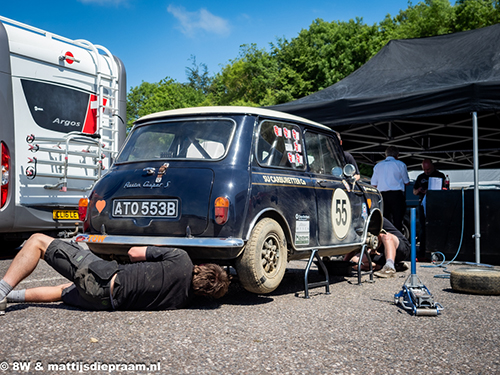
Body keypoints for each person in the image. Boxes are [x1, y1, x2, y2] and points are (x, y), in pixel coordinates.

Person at [0, 234, 230, 315]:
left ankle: (2, 290)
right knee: (63, 290)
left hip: (102, 277)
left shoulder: (181, 258)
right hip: (101, 302)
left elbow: (133, 252)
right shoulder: (184, 301)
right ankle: (9, 298)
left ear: (202, 267)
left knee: (37, 241)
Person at [344, 219, 410, 278]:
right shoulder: (355, 224)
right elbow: (354, 243)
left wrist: (371, 249)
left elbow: (379, 236)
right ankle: (392, 266)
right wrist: (344, 264)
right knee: (355, 263)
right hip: (380, 252)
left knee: (386, 236)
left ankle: (389, 268)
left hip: (399, 247)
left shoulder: (374, 218)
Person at [370, 146, 410, 232]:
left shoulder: (378, 166)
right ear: (397, 155)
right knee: (398, 220)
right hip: (396, 195)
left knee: (384, 220)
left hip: (383, 195)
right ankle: (398, 241)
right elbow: (407, 182)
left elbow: (373, 184)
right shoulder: (400, 164)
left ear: (385, 155)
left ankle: (385, 241)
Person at [413, 159, 446, 261]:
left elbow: (445, 189)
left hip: (436, 205)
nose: (426, 171)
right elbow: (414, 191)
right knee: (423, 230)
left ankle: (438, 253)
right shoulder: (420, 177)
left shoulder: (440, 175)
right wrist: (419, 190)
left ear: (432, 166)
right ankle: (422, 253)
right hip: (423, 205)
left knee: (436, 229)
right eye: (425, 169)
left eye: (428, 169)